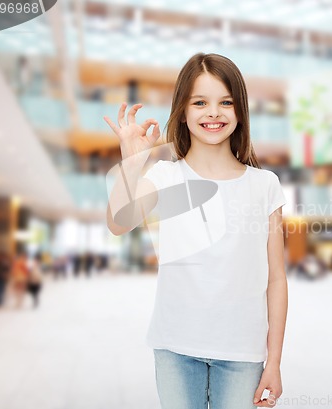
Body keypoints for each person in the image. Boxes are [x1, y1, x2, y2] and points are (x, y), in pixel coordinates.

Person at [104, 53, 287, 409]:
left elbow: (276, 279)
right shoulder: (165, 177)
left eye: (225, 102)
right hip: (175, 349)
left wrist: (274, 362)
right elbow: (118, 222)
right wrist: (132, 159)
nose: (213, 113)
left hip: (242, 353)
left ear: (240, 111)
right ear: (183, 112)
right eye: (200, 102)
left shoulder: (264, 185)